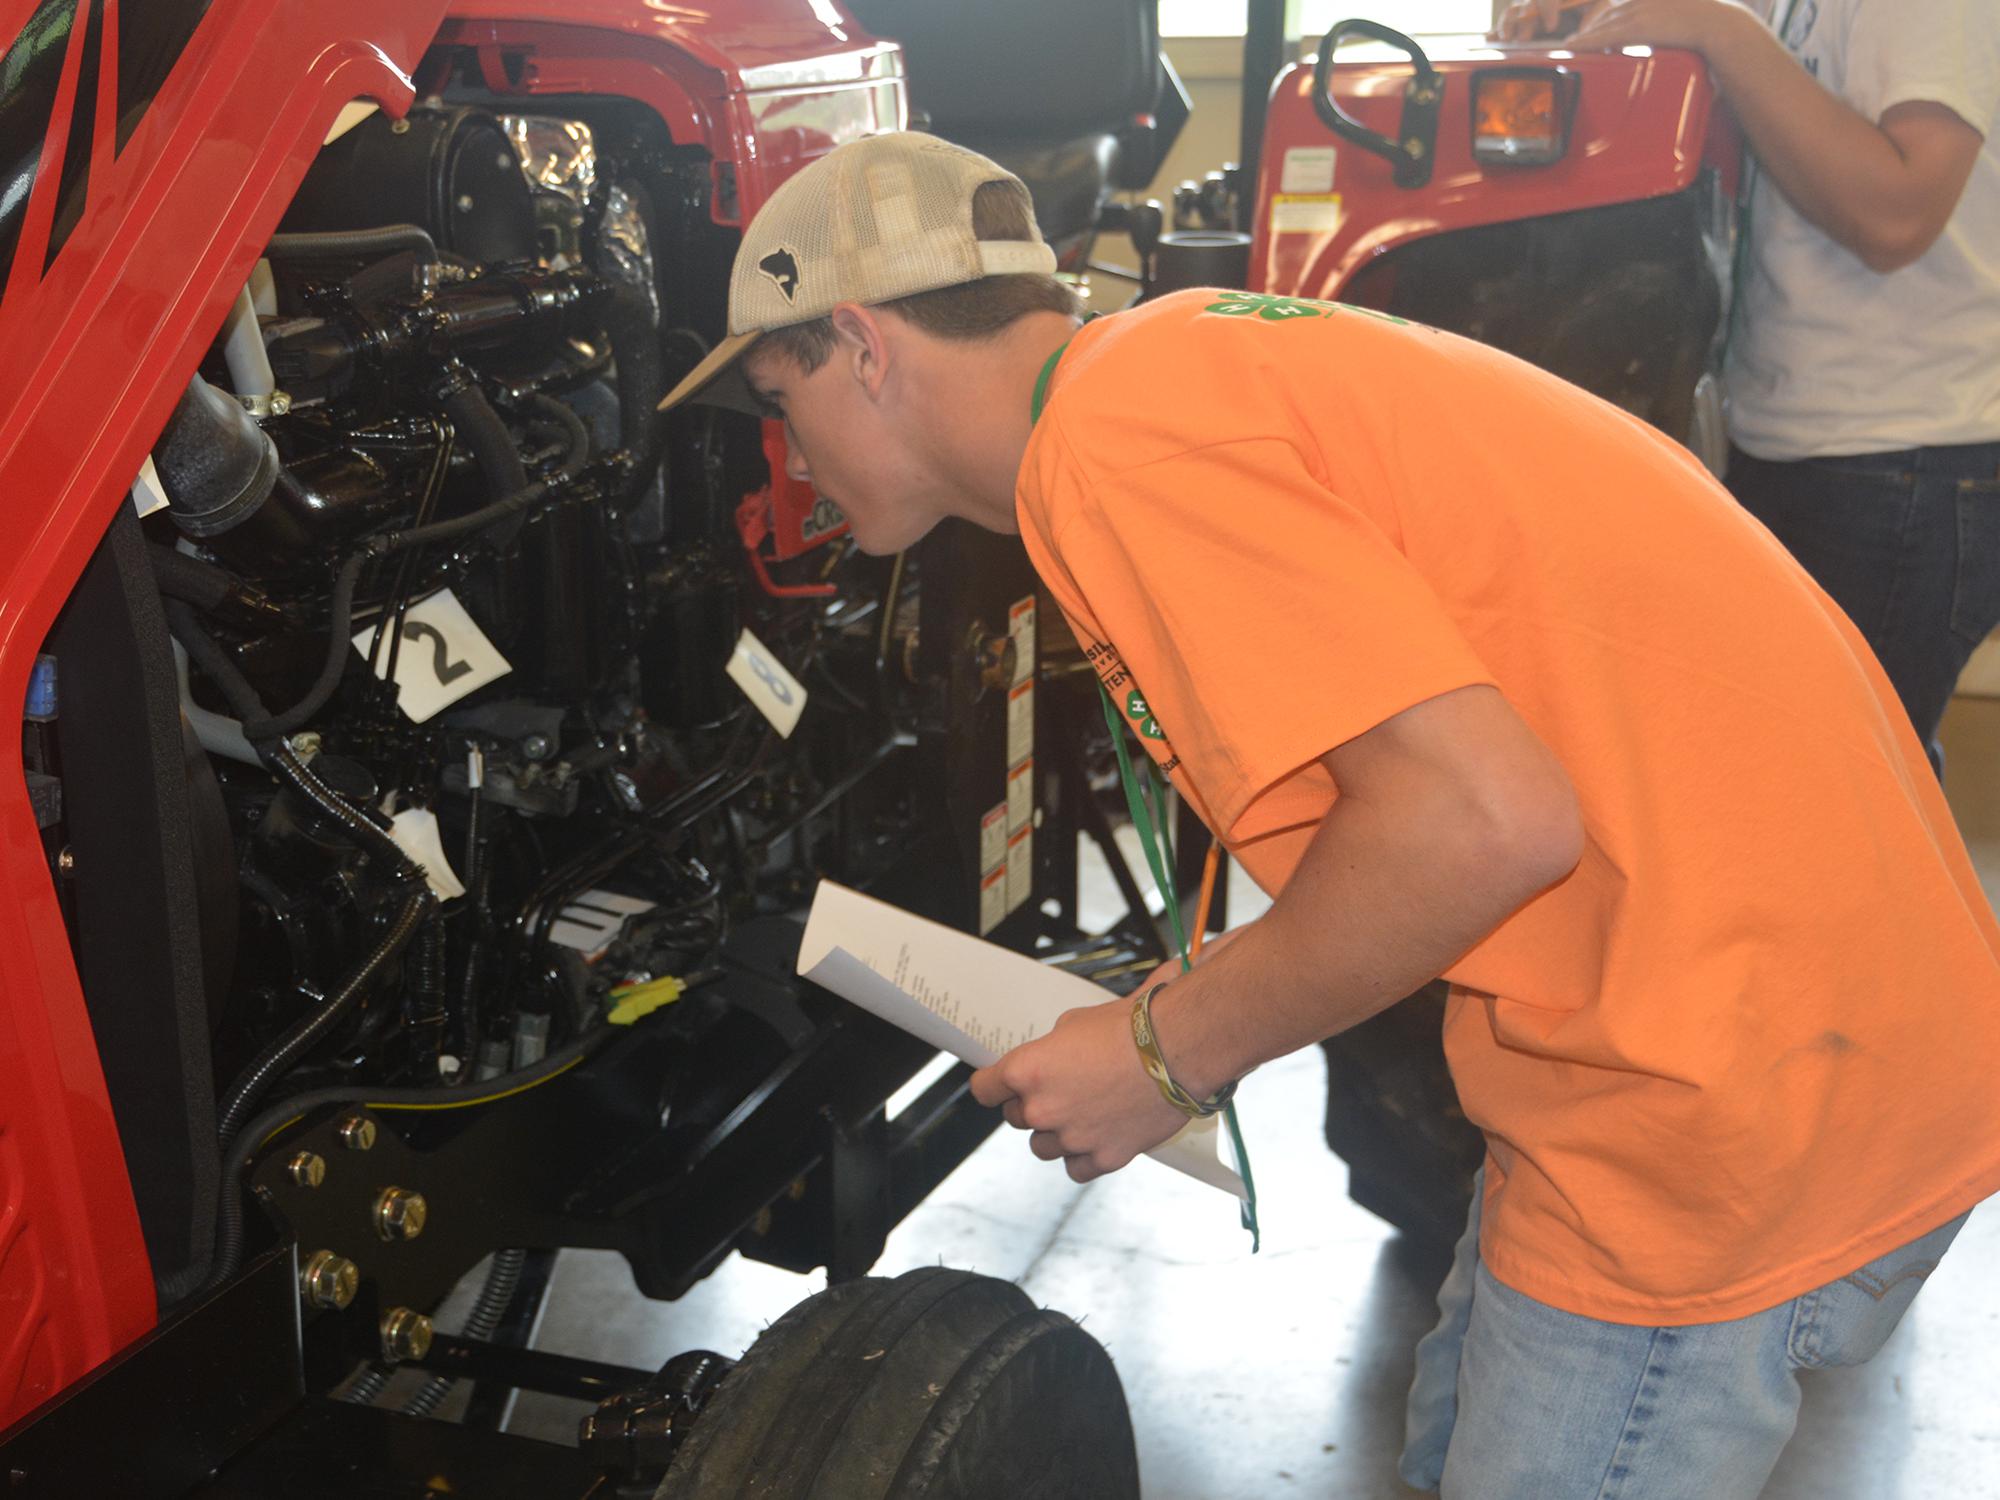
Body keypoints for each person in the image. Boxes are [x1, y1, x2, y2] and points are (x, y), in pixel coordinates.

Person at [657, 132, 2000, 1498]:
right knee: (1447, 1446)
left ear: (867, 348)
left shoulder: (1115, 447)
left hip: (1721, 1080)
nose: (790, 452)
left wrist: (1167, 1050)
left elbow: (1479, 822)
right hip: (1735, 1019)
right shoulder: (1175, 364)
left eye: (781, 397)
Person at [1499, 0, 2000, 772]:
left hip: (1900, 454)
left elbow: (1897, 216)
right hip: (1803, 435)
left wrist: (1723, 30)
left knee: (1838, 793)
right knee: (1816, 781)